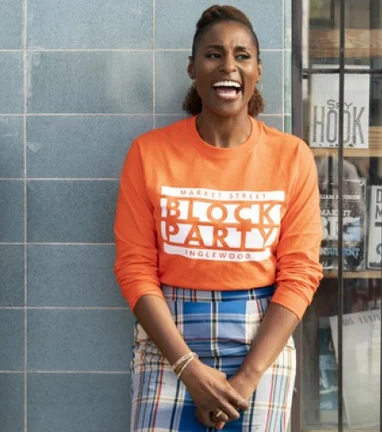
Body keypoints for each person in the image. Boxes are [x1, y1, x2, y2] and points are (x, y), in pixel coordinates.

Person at [113, 5, 322, 431]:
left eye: (242, 56)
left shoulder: (292, 157)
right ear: (192, 68)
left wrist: (247, 379)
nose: (229, 66)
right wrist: (188, 366)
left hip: (261, 345)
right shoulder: (148, 153)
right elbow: (134, 269)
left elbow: (300, 273)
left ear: (258, 70)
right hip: (168, 344)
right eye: (213, 54)